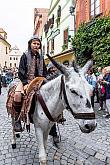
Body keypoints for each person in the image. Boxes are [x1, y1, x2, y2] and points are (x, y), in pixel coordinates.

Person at [13, 35, 47, 132]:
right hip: (25, 80)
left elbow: (44, 71)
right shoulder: (24, 55)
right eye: (34, 43)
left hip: (39, 81)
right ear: (30, 44)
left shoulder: (41, 57)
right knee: (17, 95)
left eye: (38, 44)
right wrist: (25, 83)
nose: (36, 45)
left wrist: (45, 80)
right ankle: (17, 120)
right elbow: (21, 71)